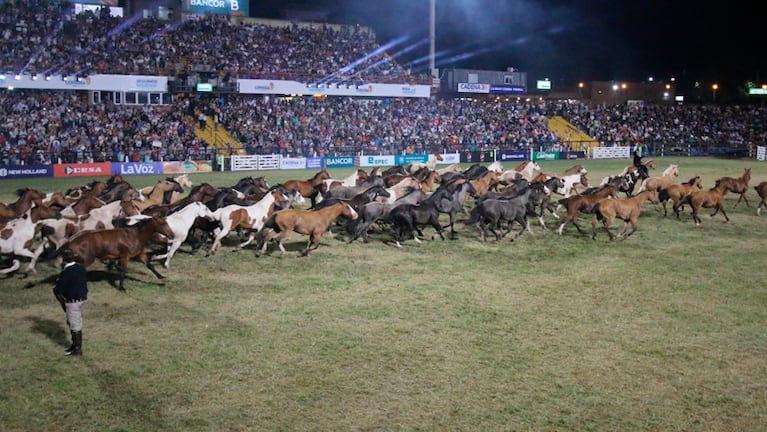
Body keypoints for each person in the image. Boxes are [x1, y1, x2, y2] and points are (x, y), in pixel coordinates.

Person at [53, 250, 89, 357]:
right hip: (82, 299)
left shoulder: (66, 273)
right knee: (76, 321)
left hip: (72, 301)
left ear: (64, 261)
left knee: (74, 325)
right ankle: (74, 346)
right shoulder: (81, 268)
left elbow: (59, 290)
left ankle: (77, 349)